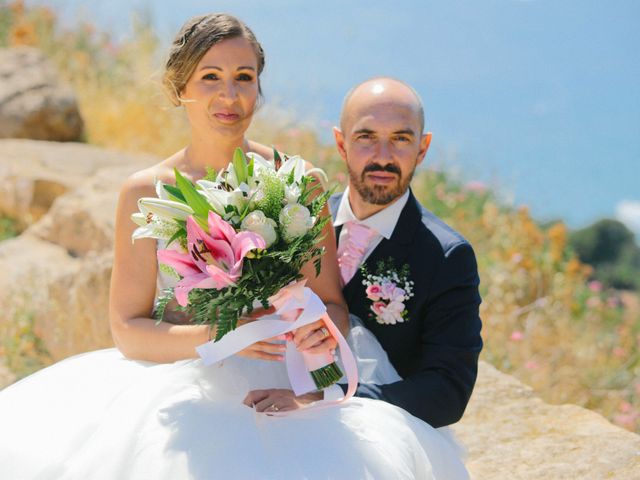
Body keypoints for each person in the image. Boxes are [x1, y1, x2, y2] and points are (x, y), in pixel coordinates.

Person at [0, 15, 469, 479]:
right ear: (179, 87)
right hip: (185, 382)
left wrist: (320, 336)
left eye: (245, 78)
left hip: (288, 379)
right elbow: (127, 328)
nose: (230, 95)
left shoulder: (297, 180)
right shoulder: (144, 193)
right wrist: (223, 337)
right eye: (210, 78)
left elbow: (331, 304)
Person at [330, 77, 484, 427]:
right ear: (341, 143)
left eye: (400, 139)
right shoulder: (302, 224)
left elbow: (448, 390)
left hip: (383, 440)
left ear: (422, 148)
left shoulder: (448, 256)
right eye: (366, 137)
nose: (383, 157)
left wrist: (326, 399)